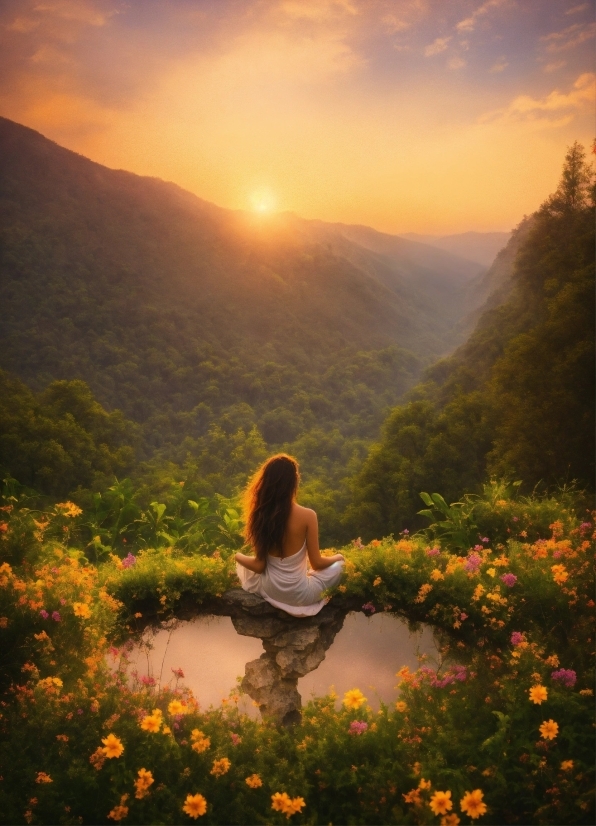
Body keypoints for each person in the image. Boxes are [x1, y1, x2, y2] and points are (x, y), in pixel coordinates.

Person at [235, 454, 345, 617]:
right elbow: (317, 563)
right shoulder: (308, 516)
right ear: (294, 482)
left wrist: (237, 556)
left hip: (270, 589)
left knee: (243, 566)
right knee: (340, 567)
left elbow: (259, 566)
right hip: (300, 594)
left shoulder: (261, 515)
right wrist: (338, 557)